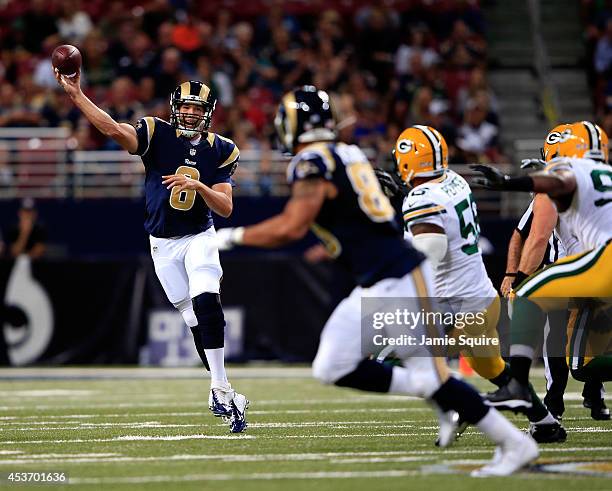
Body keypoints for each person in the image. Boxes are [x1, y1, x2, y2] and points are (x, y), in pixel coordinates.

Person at [216, 85, 538, 477]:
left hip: (397, 277)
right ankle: (492, 427)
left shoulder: (312, 161)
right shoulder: (349, 153)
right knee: (340, 366)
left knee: (356, 367)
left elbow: (291, 227)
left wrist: (230, 237)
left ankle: (504, 436)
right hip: (387, 276)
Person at [54, 69, 248, 432]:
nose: (191, 114)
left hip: (199, 236)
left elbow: (226, 207)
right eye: (187, 107)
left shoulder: (222, 149)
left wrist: (200, 186)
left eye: (198, 108)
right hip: (162, 243)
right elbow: (114, 130)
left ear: (209, 112)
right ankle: (226, 390)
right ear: (176, 108)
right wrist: (77, 95)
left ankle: (219, 387)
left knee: (207, 298)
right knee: (194, 321)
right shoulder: (156, 131)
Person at [394, 125, 565, 443]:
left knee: (388, 352)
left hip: (455, 305)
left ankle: (458, 409)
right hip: (481, 299)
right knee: (497, 372)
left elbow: (432, 248)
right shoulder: (454, 181)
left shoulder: (421, 197)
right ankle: (545, 422)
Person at [472, 121, 612, 414]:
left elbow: (549, 199)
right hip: (596, 269)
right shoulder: (605, 173)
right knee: (582, 365)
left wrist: (511, 182)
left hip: (603, 261)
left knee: (529, 291)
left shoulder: (575, 170)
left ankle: (518, 385)